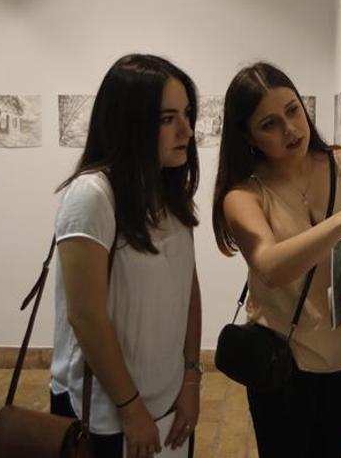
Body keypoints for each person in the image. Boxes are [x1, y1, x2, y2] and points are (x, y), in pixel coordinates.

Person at [212, 62, 341, 458]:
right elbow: (270, 267)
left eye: (292, 109)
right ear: (247, 137)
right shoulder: (243, 196)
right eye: (269, 124)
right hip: (283, 364)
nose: (290, 129)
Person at [50, 54, 203, 458]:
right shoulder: (92, 197)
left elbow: (188, 287)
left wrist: (191, 381)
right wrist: (131, 408)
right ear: (129, 122)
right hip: (105, 413)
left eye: (186, 114)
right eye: (167, 118)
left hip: (168, 404)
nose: (186, 129)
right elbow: (85, 316)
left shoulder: (170, 196)